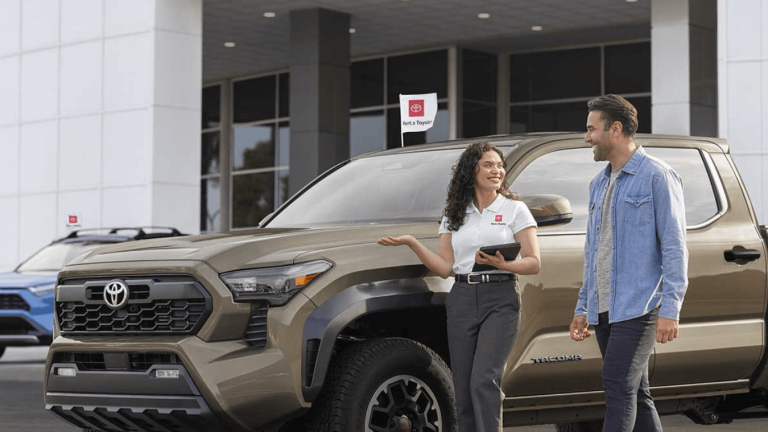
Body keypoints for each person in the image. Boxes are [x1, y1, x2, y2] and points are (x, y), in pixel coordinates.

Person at [378, 141, 541, 432]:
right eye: (488, 165)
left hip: (501, 297)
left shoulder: (515, 209)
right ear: (472, 171)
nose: (497, 170)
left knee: (483, 380)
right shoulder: (455, 213)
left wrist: (503, 264)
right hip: (462, 297)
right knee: (463, 387)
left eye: (499, 165)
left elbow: (533, 262)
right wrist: (414, 243)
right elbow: (444, 267)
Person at [570, 94, 688, 432]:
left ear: (615, 129)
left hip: (641, 305)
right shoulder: (599, 183)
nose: (587, 137)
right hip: (605, 307)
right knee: (636, 391)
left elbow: (675, 247)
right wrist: (584, 305)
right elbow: (594, 251)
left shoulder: (657, 177)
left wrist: (670, 309)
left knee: (617, 384)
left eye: (592, 129)